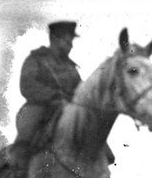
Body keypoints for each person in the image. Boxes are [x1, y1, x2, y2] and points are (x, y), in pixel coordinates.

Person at [14, 21, 114, 163]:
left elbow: (80, 90)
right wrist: (52, 95)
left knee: (93, 132)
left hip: (66, 109)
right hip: (39, 107)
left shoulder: (70, 67)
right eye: (67, 41)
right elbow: (27, 85)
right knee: (25, 140)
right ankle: (15, 166)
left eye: (71, 42)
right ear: (54, 39)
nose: (71, 45)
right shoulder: (36, 59)